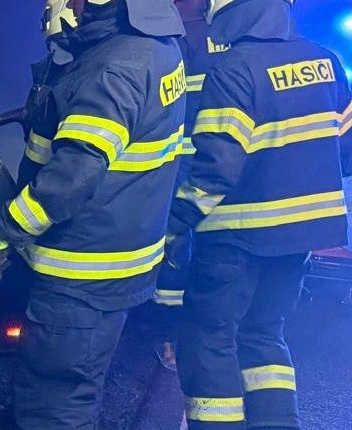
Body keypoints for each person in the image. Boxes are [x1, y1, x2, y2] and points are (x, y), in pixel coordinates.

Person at [0, 0, 186, 430]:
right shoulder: (154, 51)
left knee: (60, 390)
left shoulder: (113, 69)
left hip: (83, 266)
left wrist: (3, 233)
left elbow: (68, 180)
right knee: (63, 381)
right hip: (115, 255)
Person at [156, 0, 352, 430]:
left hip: (238, 232)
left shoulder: (233, 69)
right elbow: (350, 156)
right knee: (265, 329)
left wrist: (175, 223)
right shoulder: (326, 61)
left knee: (209, 334)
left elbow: (215, 169)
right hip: (304, 233)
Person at [152, 0, 215, 370]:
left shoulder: (175, 36)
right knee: (197, 246)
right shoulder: (227, 34)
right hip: (219, 161)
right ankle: (180, 335)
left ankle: (169, 336)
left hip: (182, 160)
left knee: (176, 243)